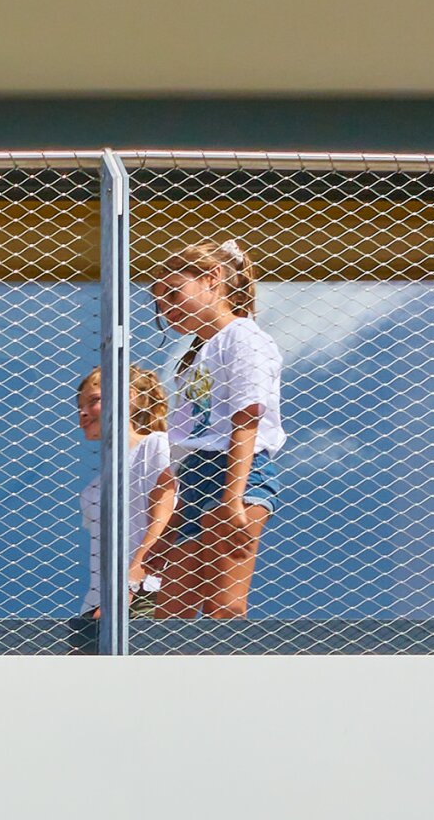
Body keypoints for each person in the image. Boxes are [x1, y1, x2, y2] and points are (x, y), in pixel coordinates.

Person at [148, 237, 284, 622]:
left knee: (225, 606)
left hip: (235, 472)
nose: (168, 310)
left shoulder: (243, 337)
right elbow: (187, 443)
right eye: (161, 304)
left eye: (174, 294)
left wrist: (233, 497)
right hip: (194, 480)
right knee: (170, 612)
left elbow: (247, 418)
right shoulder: (194, 358)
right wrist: (170, 525)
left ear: (212, 278)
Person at [75, 364, 177, 621]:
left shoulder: (155, 445)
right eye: (80, 407)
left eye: (94, 401)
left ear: (128, 397)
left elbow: (165, 517)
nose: (83, 413)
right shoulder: (94, 488)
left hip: (145, 591)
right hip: (99, 601)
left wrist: (132, 579)